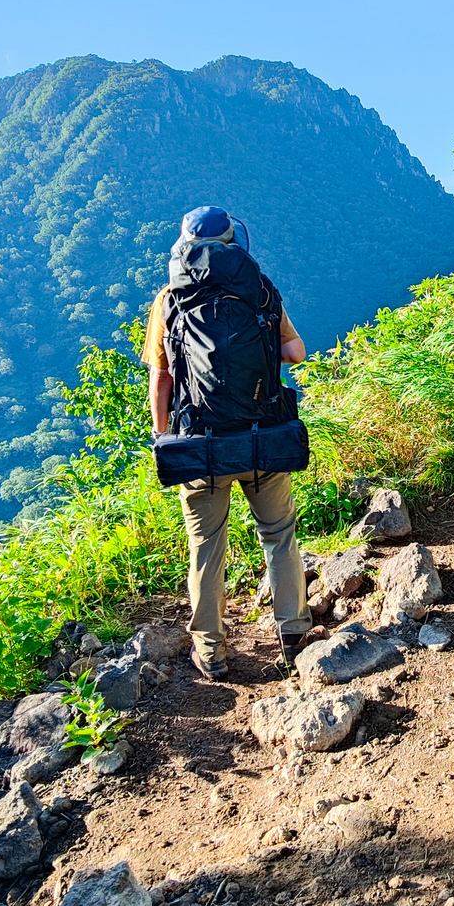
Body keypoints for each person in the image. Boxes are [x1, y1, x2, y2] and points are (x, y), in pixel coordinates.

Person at [143, 205, 319, 678]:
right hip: (263, 438)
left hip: (199, 444)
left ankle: (211, 651)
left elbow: (160, 377)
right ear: (232, 240)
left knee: (205, 546)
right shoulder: (258, 288)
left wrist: (164, 434)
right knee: (279, 536)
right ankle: (295, 634)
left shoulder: (169, 299)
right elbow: (295, 353)